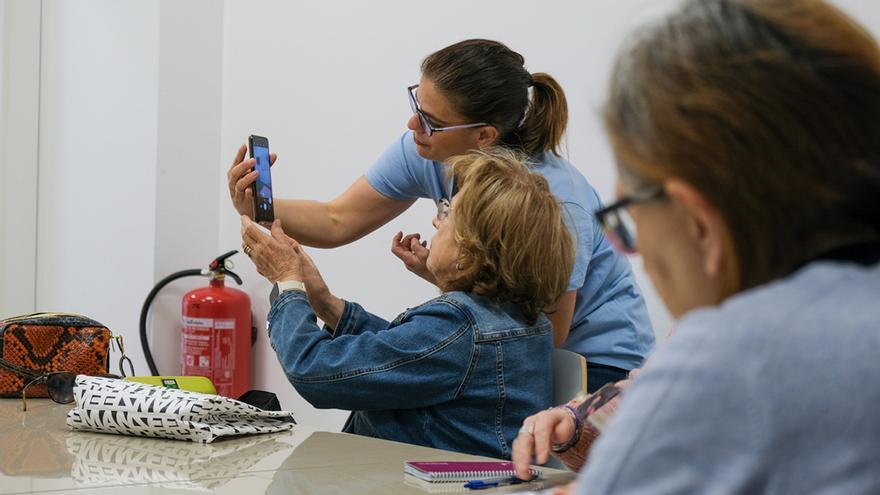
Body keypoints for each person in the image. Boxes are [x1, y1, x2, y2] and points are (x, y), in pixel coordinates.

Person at [512, 0, 880, 492]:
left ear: (698, 224)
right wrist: (581, 424)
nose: (639, 258)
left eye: (628, 223)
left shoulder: (731, 355)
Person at [227, 39, 655, 391]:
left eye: (431, 120)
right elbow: (337, 219)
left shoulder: (552, 202)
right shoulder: (428, 149)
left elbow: (541, 335)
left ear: (483, 135)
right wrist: (257, 206)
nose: (412, 124)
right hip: (513, 341)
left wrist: (290, 283)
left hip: (594, 364)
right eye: (416, 102)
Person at [240, 149, 575, 459]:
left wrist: (287, 281)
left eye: (448, 213)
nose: (436, 222)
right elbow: (408, 356)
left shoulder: (459, 327)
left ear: (469, 252)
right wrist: (324, 301)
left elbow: (314, 371)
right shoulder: (525, 320)